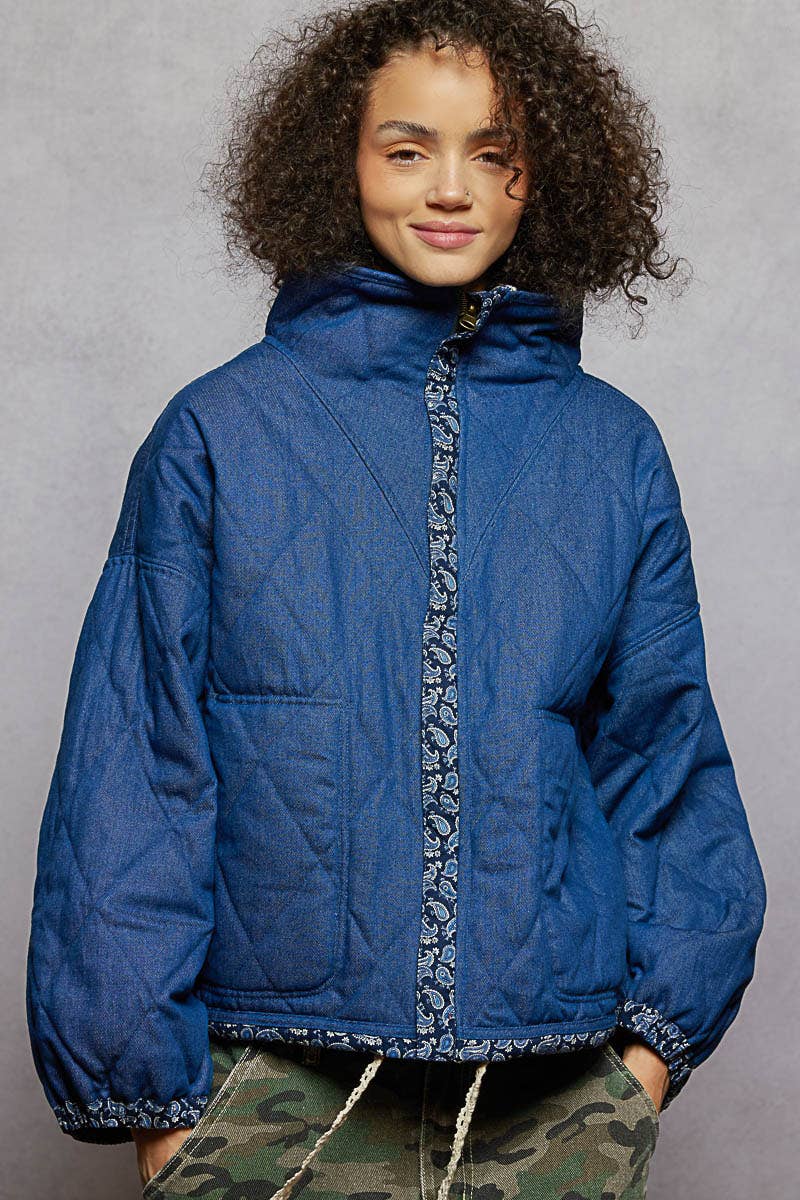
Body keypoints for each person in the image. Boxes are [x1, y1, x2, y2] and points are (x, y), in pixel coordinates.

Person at [26, 2, 767, 1198]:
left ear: (544, 178)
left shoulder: (611, 450)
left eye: (492, 152)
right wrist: (159, 1111)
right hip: (265, 1094)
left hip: (554, 1103)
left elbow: (662, 761)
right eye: (407, 147)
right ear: (342, 163)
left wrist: (639, 1069)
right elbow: (135, 767)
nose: (449, 188)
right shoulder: (219, 432)